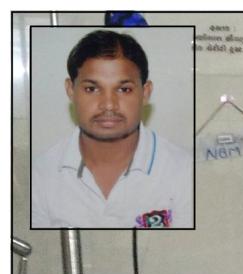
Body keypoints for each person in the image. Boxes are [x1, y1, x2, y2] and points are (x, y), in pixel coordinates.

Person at [31, 29, 193, 229]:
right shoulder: (39, 175)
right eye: (91, 89)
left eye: (124, 89)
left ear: (145, 93)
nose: (108, 105)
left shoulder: (185, 172)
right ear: (70, 90)